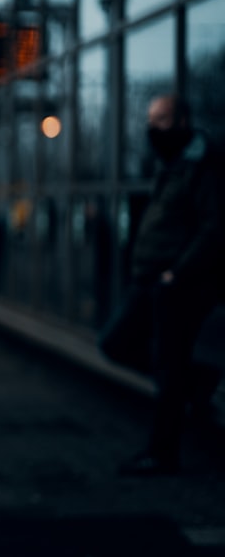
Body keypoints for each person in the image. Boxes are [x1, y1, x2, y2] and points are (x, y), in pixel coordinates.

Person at [99, 93, 225, 476]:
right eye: (151, 120)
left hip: (177, 284)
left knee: (169, 367)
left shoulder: (202, 166)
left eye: (163, 120)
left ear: (183, 121)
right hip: (149, 280)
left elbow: (214, 228)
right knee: (116, 343)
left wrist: (178, 273)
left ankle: (161, 453)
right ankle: (197, 383)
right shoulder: (172, 164)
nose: (154, 128)